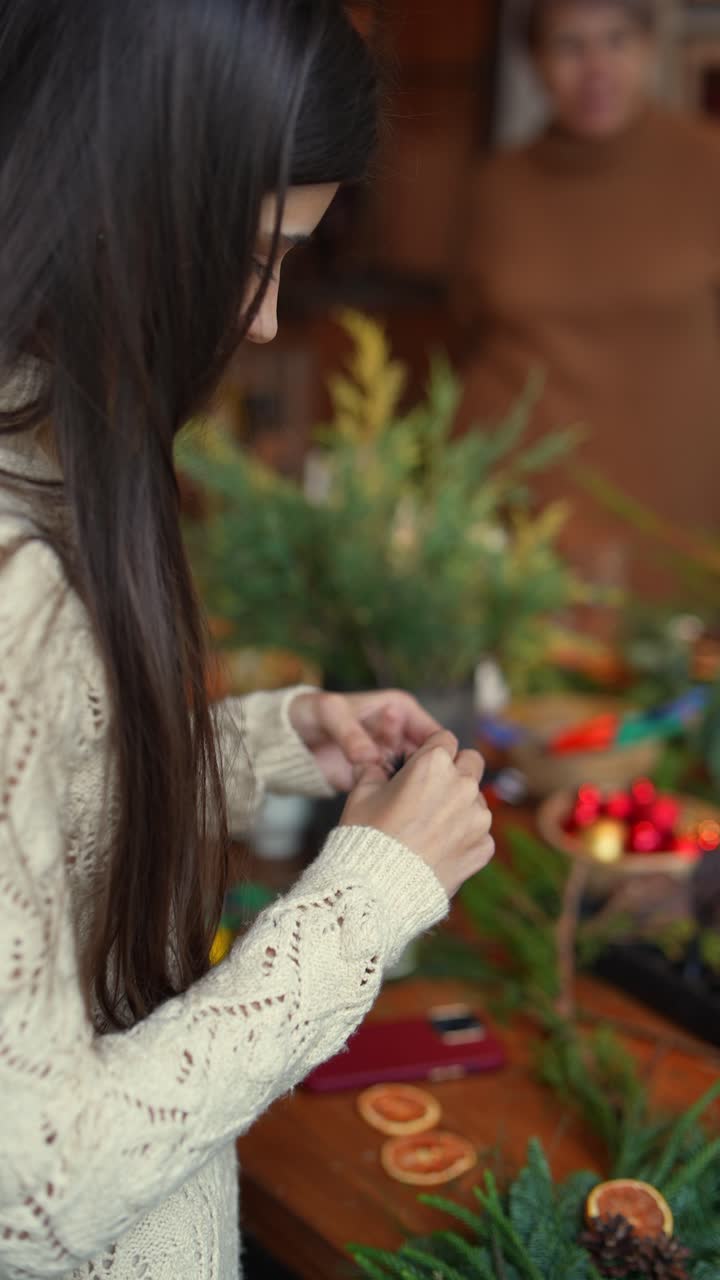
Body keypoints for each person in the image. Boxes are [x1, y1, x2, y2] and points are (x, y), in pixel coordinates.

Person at [0, 4, 495, 1279]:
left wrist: (270, 741)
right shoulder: (14, 571)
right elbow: (38, 1194)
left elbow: (42, 797)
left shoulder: (39, 435)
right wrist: (365, 898)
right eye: (256, 254)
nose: (267, 320)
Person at [455, 0, 720, 586]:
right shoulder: (497, 185)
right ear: (536, 63)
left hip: (681, 502)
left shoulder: (707, 165)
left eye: (617, 40)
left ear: (650, 48)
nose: (595, 66)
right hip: (526, 510)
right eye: (570, 45)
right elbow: (467, 330)